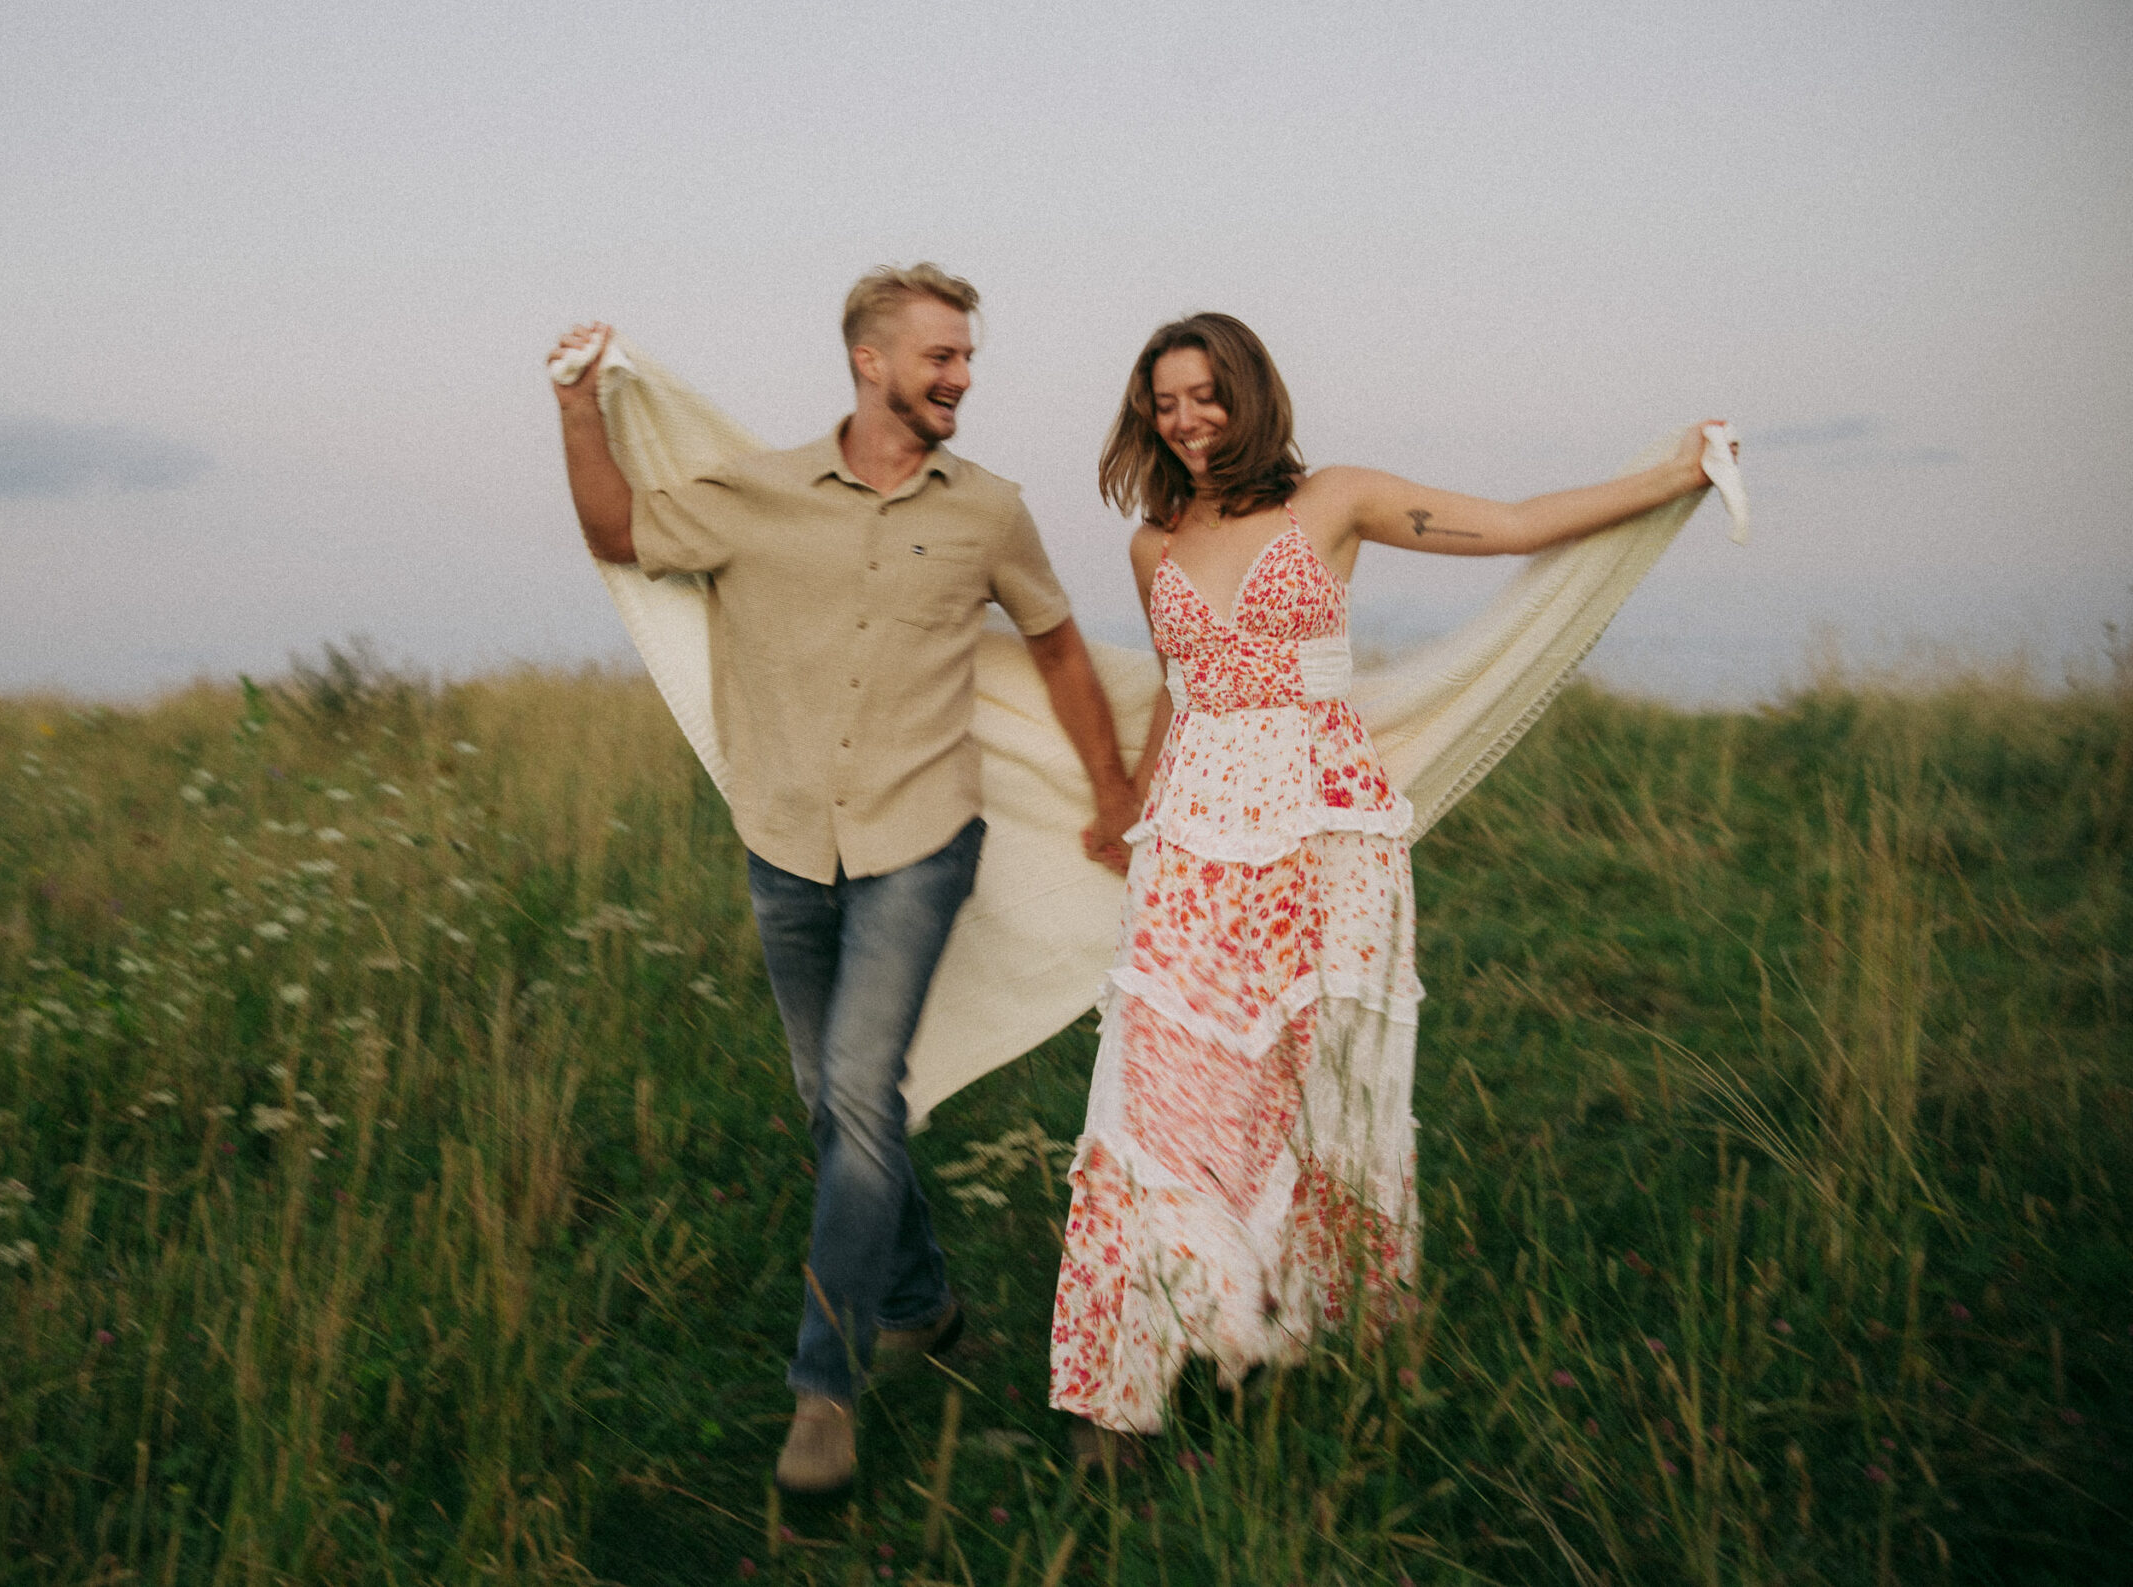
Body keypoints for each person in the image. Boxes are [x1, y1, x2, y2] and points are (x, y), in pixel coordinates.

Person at [1049, 312, 1728, 1460]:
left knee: (1310, 1086)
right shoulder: (1152, 544)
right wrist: (1135, 801)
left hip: (1323, 836)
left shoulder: (1336, 503)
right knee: (1155, 1083)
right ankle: (1119, 1382)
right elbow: (1182, 683)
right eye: (1164, 402)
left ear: (1248, 392)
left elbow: (1513, 526)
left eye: (1204, 394)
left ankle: (1267, 1331)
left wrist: (1672, 477)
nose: (1185, 419)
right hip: (1194, 840)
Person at [551, 264, 1142, 1497]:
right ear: (870, 362)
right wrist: (576, 408)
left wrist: (1113, 789)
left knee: (863, 1096)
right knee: (830, 1107)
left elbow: (1057, 643)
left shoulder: (987, 509)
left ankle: (824, 1392)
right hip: (783, 846)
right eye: (942, 358)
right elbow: (617, 534)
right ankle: (921, 1302)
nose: (963, 379)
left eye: (969, 359)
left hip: (921, 842)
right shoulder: (753, 496)